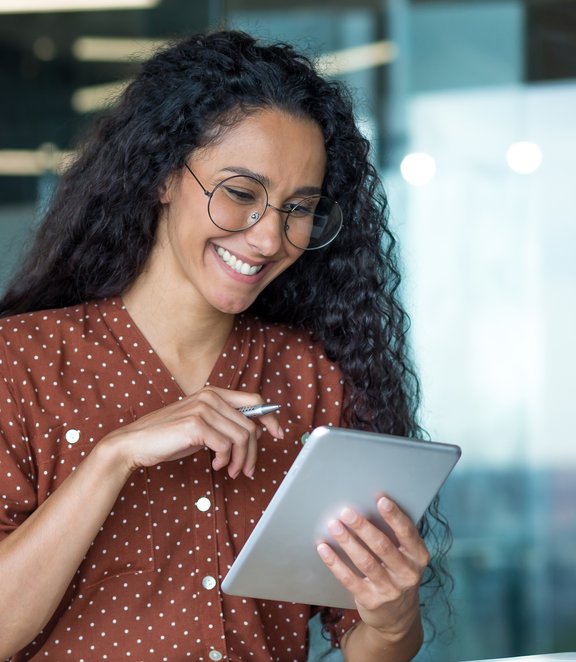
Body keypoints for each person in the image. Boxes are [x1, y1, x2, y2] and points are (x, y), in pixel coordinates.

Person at [0, 29, 449, 661]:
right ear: (161, 177)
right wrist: (113, 457)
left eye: (299, 208)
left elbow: (370, 646)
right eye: (240, 193)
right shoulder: (19, 363)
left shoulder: (312, 376)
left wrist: (394, 613)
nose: (269, 239)